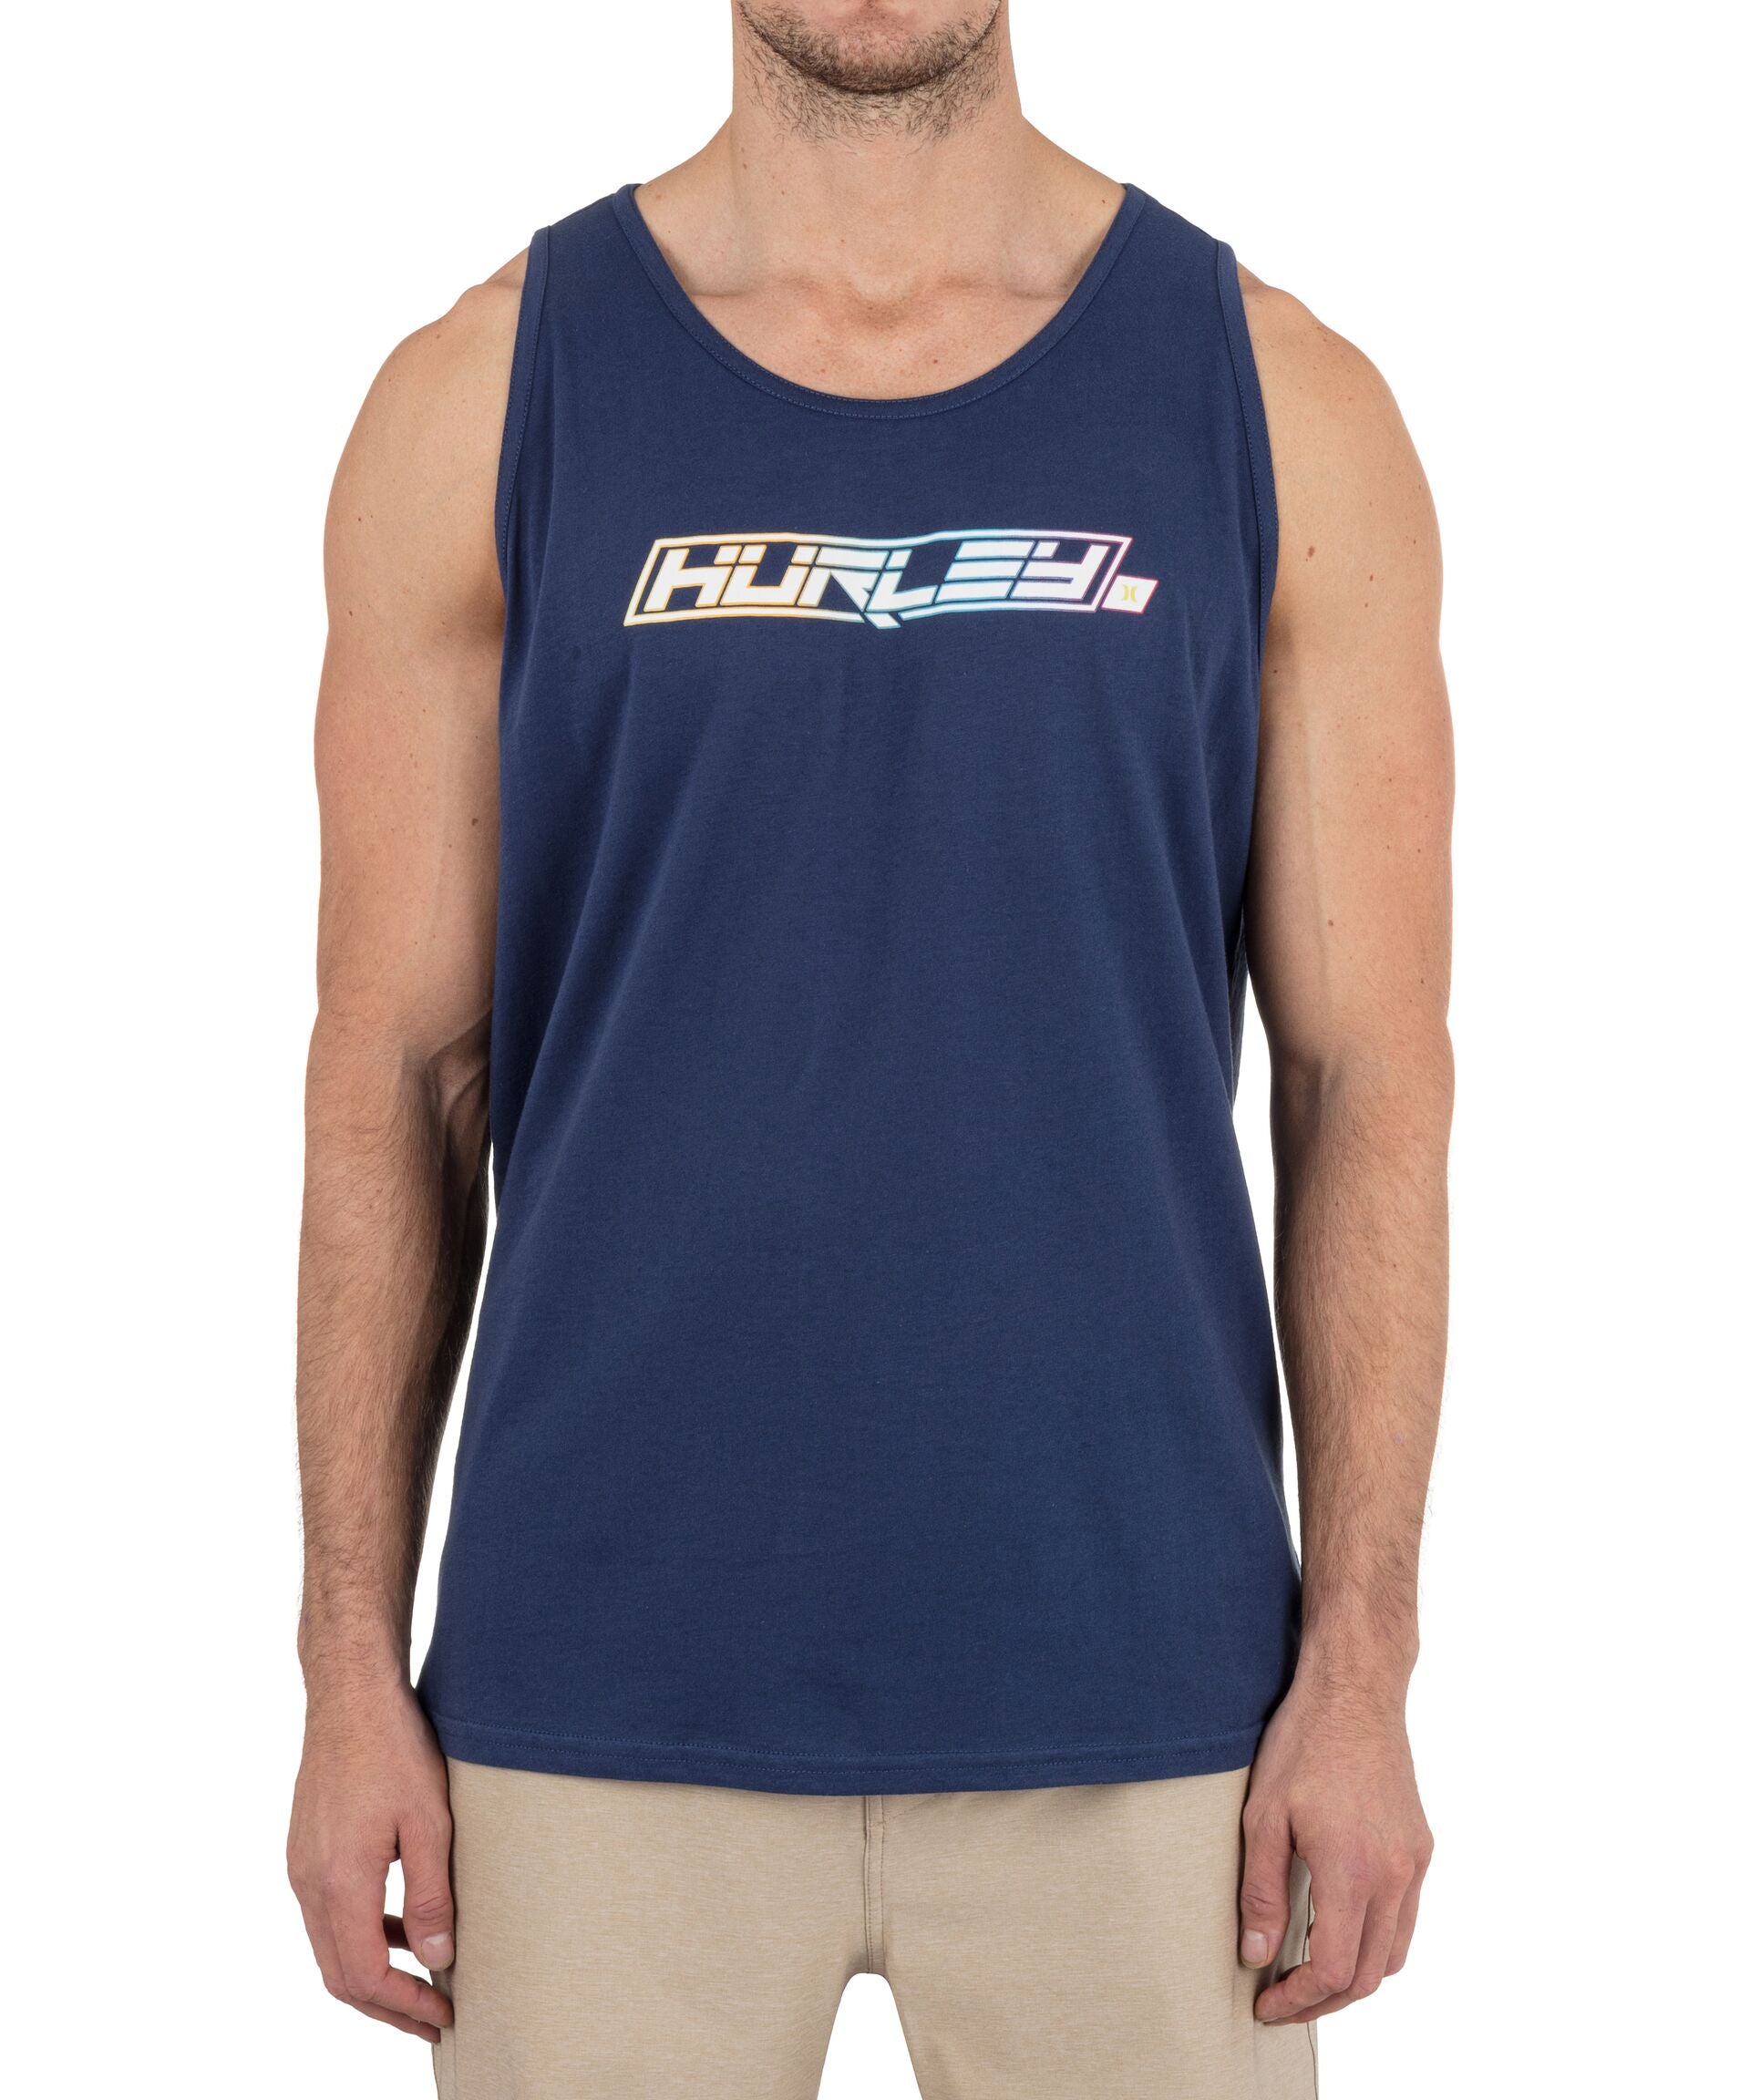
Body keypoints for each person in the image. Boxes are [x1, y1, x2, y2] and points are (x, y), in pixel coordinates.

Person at [287, 5, 1453, 2094]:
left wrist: (1361, 1667)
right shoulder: (479, 400)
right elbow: (393, 1073)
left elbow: (1368, 1079)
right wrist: (344, 1666)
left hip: (1153, 1714)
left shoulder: (1285, 408)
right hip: (592, 1705)